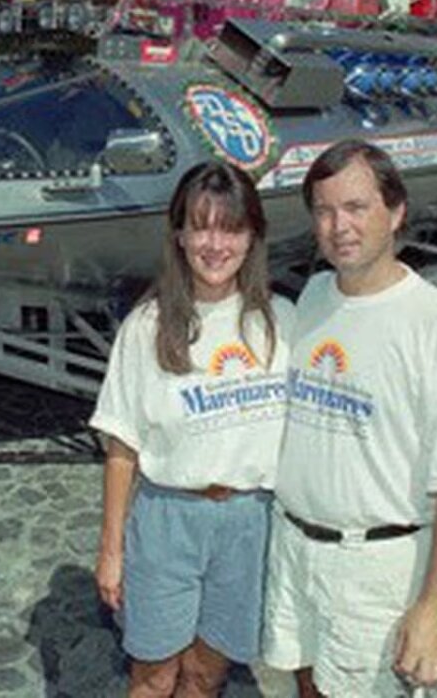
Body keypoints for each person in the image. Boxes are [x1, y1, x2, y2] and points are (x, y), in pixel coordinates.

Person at [261, 140, 437, 697]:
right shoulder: (314, 296)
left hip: (373, 571)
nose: (339, 226)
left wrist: (434, 608)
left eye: (356, 207)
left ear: (395, 212)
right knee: (305, 686)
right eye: (324, 210)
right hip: (293, 548)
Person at [91, 160, 296, 697]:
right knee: (154, 677)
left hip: (249, 523)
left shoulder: (284, 321)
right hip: (167, 520)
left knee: (206, 674)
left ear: (252, 237)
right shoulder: (146, 327)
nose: (215, 244)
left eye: (231, 228)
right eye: (201, 227)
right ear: (179, 235)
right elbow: (121, 448)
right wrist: (111, 550)